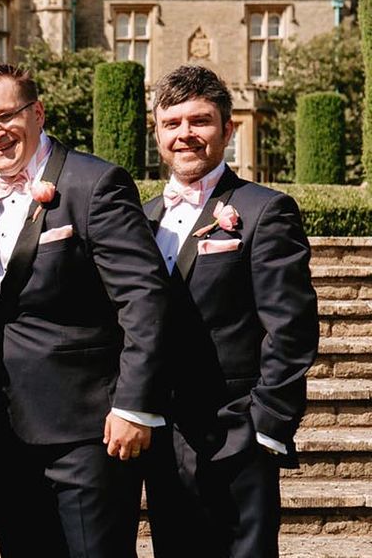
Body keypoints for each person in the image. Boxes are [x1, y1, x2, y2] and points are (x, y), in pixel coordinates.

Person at [0, 62, 170, 558]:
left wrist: (133, 404)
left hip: (88, 433)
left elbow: (143, 297)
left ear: (38, 113)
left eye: (6, 116)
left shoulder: (94, 183)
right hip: (5, 433)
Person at [142, 64, 319, 558]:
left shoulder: (265, 210)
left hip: (236, 431)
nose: (185, 134)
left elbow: (291, 328)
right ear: (157, 134)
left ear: (228, 128)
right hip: (162, 435)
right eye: (171, 123)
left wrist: (265, 425)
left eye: (199, 121)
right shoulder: (142, 217)